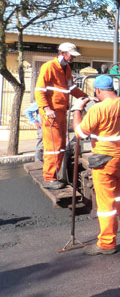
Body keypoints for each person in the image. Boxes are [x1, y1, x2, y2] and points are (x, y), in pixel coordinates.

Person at [72, 74, 120, 255]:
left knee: (105, 204)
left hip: (105, 161)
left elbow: (80, 132)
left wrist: (77, 110)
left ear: (97, 91)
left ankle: (107, 243)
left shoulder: (98, 109)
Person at [34, 42, 88, 189]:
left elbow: (71, 88)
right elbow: (39, 90)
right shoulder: (48, 67)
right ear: (63, 53)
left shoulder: (67, 69)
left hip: (62, 112)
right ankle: (49, 177)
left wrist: (85, 96)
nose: (73, 58)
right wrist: (45, 108)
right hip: (51, 113)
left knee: (61, 146)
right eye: (71, 55)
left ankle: (57, 174)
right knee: (53, 145)